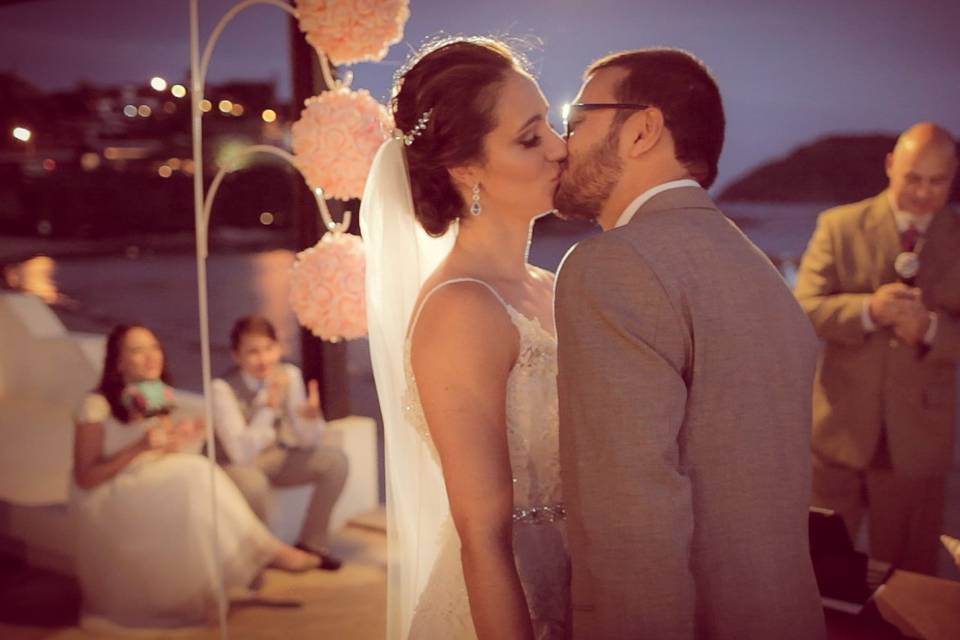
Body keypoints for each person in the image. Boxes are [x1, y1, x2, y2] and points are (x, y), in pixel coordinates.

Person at [553, 48, 825, 639]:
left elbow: (632, 519)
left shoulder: (612, 265)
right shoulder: (761, 271)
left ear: (642, 129)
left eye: (575, 118)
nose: (561, 142)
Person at [361, 37, 569, 639]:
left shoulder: (552, 287)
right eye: (531, 138)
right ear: (465, 169)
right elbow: (482, 536)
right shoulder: (462, 309)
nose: (560, 149)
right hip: (511, 607)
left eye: (551, 126)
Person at [70, 324, 319, 630]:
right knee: (197, 472)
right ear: (118, 361)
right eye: (137, 351)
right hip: (108, 491)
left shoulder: (154, 394)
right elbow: (85, 476)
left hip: (142, 477)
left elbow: (155, 449)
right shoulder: (95, 405)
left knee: (195, 472)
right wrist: (138, 448)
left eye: (154, 348)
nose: (150, 357)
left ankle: (230, 574)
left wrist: (177, 438)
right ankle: (267, 550)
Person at [795, 122, 960, 574]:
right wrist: (869, 309)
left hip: (919, 442)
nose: (924, 193)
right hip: (837, 435)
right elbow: (802, 309)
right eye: (913, 177)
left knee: (908, 581)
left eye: (937, 181)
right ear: (890, 166)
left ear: (954, 175)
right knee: (821, 572)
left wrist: (929, 330)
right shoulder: (838, 225)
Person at [211, 315, 348, 570]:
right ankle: (258, 556)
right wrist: (268, 408)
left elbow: (306, 442)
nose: (263, 359)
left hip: (272, 456)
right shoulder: (222, 388)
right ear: (236, 356)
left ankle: (312, 543)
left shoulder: (289, 375)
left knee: (335, 462)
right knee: (253, 483)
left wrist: (311, 419)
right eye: (252, 352)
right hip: (231, 465)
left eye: (268, 349)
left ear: (278, 348)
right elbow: (240, 454)